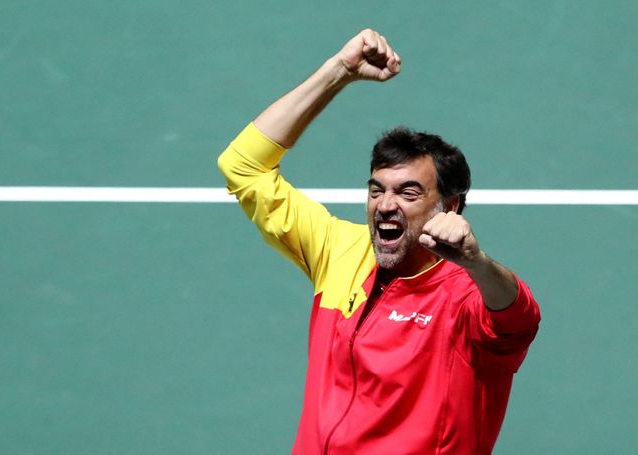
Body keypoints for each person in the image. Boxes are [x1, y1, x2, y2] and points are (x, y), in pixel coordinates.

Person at [218, 29, 540, 455]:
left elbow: (519, 318)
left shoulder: (465, 298)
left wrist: (477, 262)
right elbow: (243, 168)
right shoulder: (341, 251)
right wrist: (338, 72)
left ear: (450, 206)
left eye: (408, 193)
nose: (385, 205)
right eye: (376, 190)